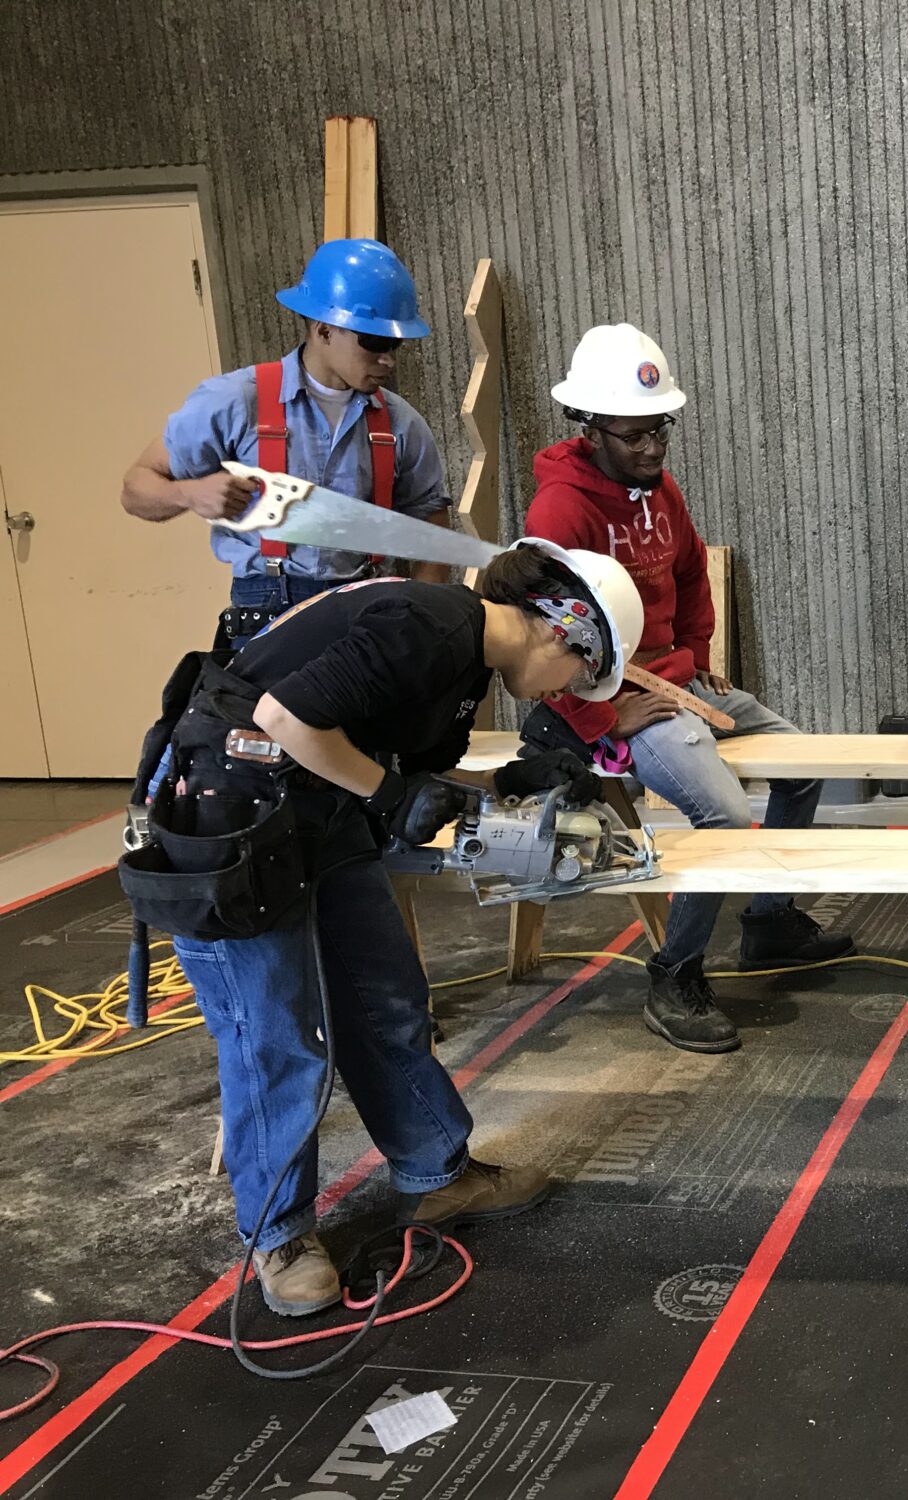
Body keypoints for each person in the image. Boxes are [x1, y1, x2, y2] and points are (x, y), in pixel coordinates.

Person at [141, 539, 643, 1316]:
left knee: (385, 1001)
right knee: (277, 1034)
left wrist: (504, 784)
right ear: (563, 627)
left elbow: (406, 774)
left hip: (318, 807)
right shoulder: (427, 621)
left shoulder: (464, 668)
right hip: (233, 806)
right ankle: (280, 1237)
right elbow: (283, 716)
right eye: (582, 671)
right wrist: (387, 794)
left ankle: (435, 1175)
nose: (568, 690)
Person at [523, 324, 851, 1056]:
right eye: (633, 435)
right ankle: (674, 975)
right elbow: (536, 639)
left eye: (659, 431)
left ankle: (768, 921)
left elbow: (688, 576)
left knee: (803, 762)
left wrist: (699, 653)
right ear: (590, 425)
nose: (650, 449)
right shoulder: (560, 513)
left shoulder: (660, 487)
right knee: (725, 817)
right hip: (620, 699)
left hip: (676, 678)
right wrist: (601, 717)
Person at [121, 239, 456, 650]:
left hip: (363, 614)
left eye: (395, 344)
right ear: (323, 329)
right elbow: (136, 488)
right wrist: (188, 492)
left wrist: (417, 622)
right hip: (265, 614)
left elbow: (433, 525)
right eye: (373, 342)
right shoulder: (236, 401)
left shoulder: (401, 425)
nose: (389, 359)